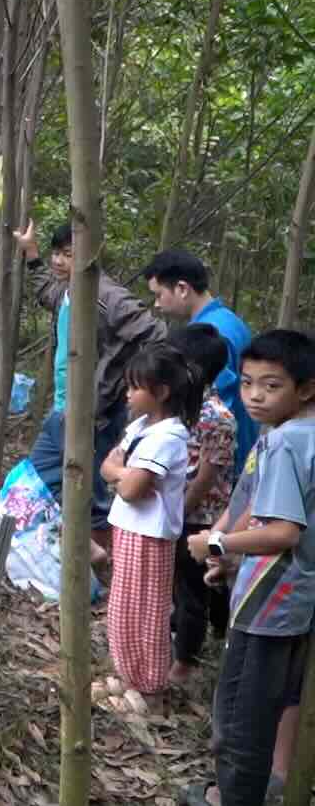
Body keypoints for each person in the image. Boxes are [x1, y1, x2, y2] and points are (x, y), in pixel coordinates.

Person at [183, 329, 315, 806]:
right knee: (272, 703)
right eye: (247, 383)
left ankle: (233, 798)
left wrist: (217, 543)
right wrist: (230, 553)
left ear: (305, 388)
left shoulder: (285, 444)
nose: (255, 395)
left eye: (271, 385)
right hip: (294, 600)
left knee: (241, 716)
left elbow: (283, 531)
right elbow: (255, 500)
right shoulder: (293, 437)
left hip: (271, 603)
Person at [14, 219, 167, 549]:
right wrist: (32, 255)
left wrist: (118, 377)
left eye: (68, 255)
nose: (59, 261)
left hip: (93, 413)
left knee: (93, 494)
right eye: (57, 253)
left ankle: (95, 572)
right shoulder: (68, 290)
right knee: (37, 478)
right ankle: (70, 553)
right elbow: (46, 291)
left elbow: (154, 335)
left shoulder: (107, 295)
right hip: (62, 407)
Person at [99, 343, 199, 710]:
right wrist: (121, 474)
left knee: (146, 612)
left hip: (149, 536)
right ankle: (130, 678)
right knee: (124, 607)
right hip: (130, 530)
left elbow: (130, 488)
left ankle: (150, 690)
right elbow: (109, 466)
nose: (126, 395)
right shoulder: (142, 426)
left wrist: (120, 474)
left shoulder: (169, 439)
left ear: (160, 392)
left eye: (133, 387)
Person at [142, 248, 257, 471]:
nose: (157, 304)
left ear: (182, 288)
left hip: (217, 466)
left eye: (158, 295)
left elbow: (218, 404)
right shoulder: (228, 321)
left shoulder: (210, 333)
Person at [168, 324, 238, 683]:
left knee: (193, 589)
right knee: (181, 585)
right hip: (175, 513)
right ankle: (187, 637)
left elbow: (206, 478)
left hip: (200, 518)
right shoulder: (178, 410)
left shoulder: (216, 418)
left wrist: (177, 514)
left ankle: (185, 664)